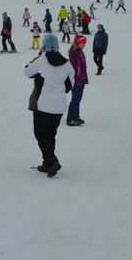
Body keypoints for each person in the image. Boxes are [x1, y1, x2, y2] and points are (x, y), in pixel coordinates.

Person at [25, 34, 75, 176]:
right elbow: (71, 82)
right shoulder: (66, 63)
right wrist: (60, 90)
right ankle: (47, 163)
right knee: (50, 134)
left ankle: (52, 160)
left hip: (43, 105)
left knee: (40, 134)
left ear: (44, 46)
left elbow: (27, 71)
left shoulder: (41, 60)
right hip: (59, 105)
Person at [67, 35, 89, 126]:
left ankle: (76, 116)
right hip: (76, 80)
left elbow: (83, 66)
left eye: (84, 43)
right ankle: (70, 119)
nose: (84, 45)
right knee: (75, 99)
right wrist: (78, 78)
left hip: (82, 78)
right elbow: (75, 68)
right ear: (77, 42)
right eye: (82, 43)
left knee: (78, 99)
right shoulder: (73, 53)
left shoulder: (80, 52)